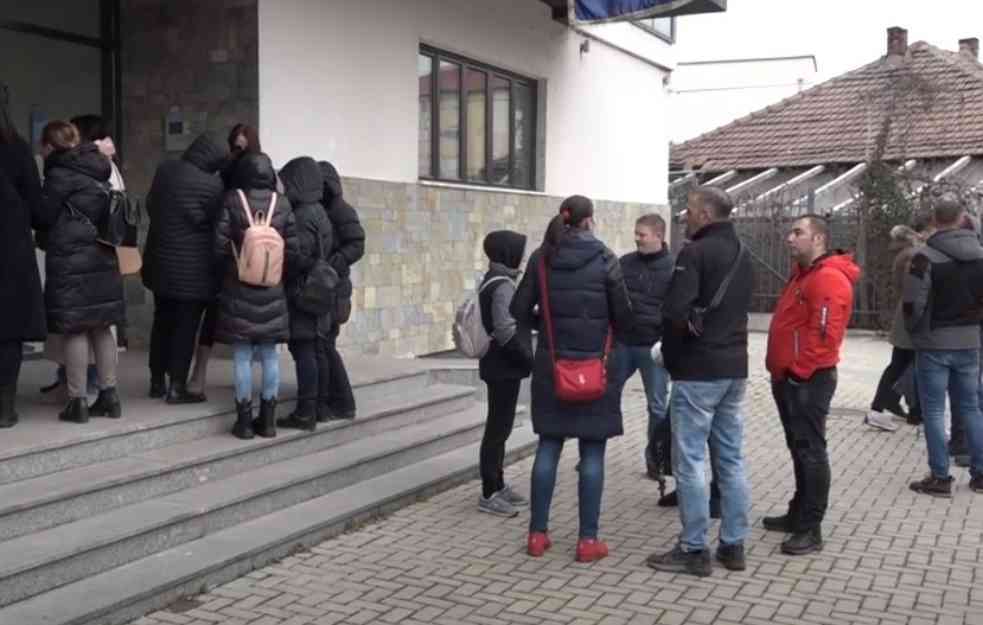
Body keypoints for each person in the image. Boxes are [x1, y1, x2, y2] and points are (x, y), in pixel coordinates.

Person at [510, 195, 633, 563]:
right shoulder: (606, 258)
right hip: (596, 366)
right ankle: (587, 541)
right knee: (592, 451)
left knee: (549, 445)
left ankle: (537, 535)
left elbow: (518, 309)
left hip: (552, 365)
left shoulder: (541, 258)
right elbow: (623, 316)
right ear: (589, 221)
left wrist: (546, 327)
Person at [647, 186, 752, 577]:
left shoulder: (694, 253)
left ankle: (693, 548)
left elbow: (675, 312)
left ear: (706, 214)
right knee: (731, 457)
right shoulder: (744, 252)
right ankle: (733, 545)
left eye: (689, 211)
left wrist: (668, 356)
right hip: (734, 368)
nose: (684, 217)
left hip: (698, 370)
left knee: (689, 458)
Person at [764, 215, 860, 555]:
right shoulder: (804, 274)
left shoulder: (828, 279)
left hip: (808, 380)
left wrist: (798, 372)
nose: (790, 238)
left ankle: (810, 528)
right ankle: (798, 513)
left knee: (811, 452)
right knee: (799, 449)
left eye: (798, 232)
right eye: (790, 231)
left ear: (817, 238)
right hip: (790, 377)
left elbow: (826, 336)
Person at [37, 120, 125, 424]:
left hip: (71, 258)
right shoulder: (101, 168)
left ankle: (77, 402)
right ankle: (109, 396)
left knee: (74, 327)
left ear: (49, 147)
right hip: (102, 254)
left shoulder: (59, 174)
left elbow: (43, 215)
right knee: (101, 325)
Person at [903, 192, 983, 497]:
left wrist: (916, 334)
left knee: (934, 411)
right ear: (963, 218)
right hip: (970, 342)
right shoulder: (981, 255)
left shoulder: (924, 257)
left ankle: (940, 477)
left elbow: (912, 305)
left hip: (934, 343)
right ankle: (980, 474)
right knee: (972, 408)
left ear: (935, 221)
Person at [214, 152, 299, 439]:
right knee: (270, 356)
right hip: (273, 290)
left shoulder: (232, 200)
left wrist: (237, 264)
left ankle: (245, 422)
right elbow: (294, 250)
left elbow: (217, 244)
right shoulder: (283, 203)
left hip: (239, 288)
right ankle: (269, 420)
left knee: (241, 356)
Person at [142, 133, 228, 402]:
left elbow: (150, 205)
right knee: (185, 328)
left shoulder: (164, 171)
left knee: (161, 321)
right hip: (193, 272)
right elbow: (217, 226)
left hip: (160, 264)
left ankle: (156, 381)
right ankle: (177, 386)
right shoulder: (213, 187)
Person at [188, 123, 263, 396]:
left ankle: (248, 380)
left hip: (253, 253)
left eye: (241, 148)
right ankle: (199, 374)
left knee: (255, 315)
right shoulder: (223, 175)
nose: (236, 153)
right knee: (212, 313)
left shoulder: (261, 177)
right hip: (226, 253)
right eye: (234, 147)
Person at [0, 82, 48, 427]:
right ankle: (5, 406)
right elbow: (39, 211)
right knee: (8, 331)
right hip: (10, 253)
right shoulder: (16, 149)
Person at [610, 214, 673, 478]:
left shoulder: (674, 268)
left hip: (653, 348)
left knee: (657, 406)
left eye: (642, 234)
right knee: (605, 396)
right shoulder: (624, 263)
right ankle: (592, 448)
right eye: (636, 233)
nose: (637, 238)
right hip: (622, 343)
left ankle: (655, 459)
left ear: (658, 236)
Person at [477, 230, 533, 517]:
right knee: (498, 430)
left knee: (501, 428)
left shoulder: (495, 279)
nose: (522, 255)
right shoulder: (503, 286)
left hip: (498, 366)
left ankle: (498, 484)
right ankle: (489, 492)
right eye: (519, 250)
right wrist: (527, 359)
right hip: (503, 367)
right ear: (507, 253)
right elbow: (505, 329)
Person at [277, 156, 333, 432]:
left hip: (303, 292)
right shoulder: (319, 211)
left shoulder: (302, 215)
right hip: (318, 292)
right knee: (315, 350)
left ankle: (305, 412)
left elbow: (297, 256)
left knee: (305, 351)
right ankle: (317, 408)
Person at [866, 221, 930, 430]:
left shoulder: (905, 255)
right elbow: (919, 289)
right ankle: (906, 410)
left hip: (906, 315)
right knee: (909, 365)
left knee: (901, 364)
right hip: (914, 317)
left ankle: (888, 404)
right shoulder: (915, 255)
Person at [317, 161, 365, 421]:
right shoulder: (324, 208)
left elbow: (357, 243)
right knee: (325, 345)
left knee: (325, 345)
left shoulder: (340, 210)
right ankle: (337, 401)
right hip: (330, 287)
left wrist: (334, 262)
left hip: (334, 287)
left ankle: (342, 402)